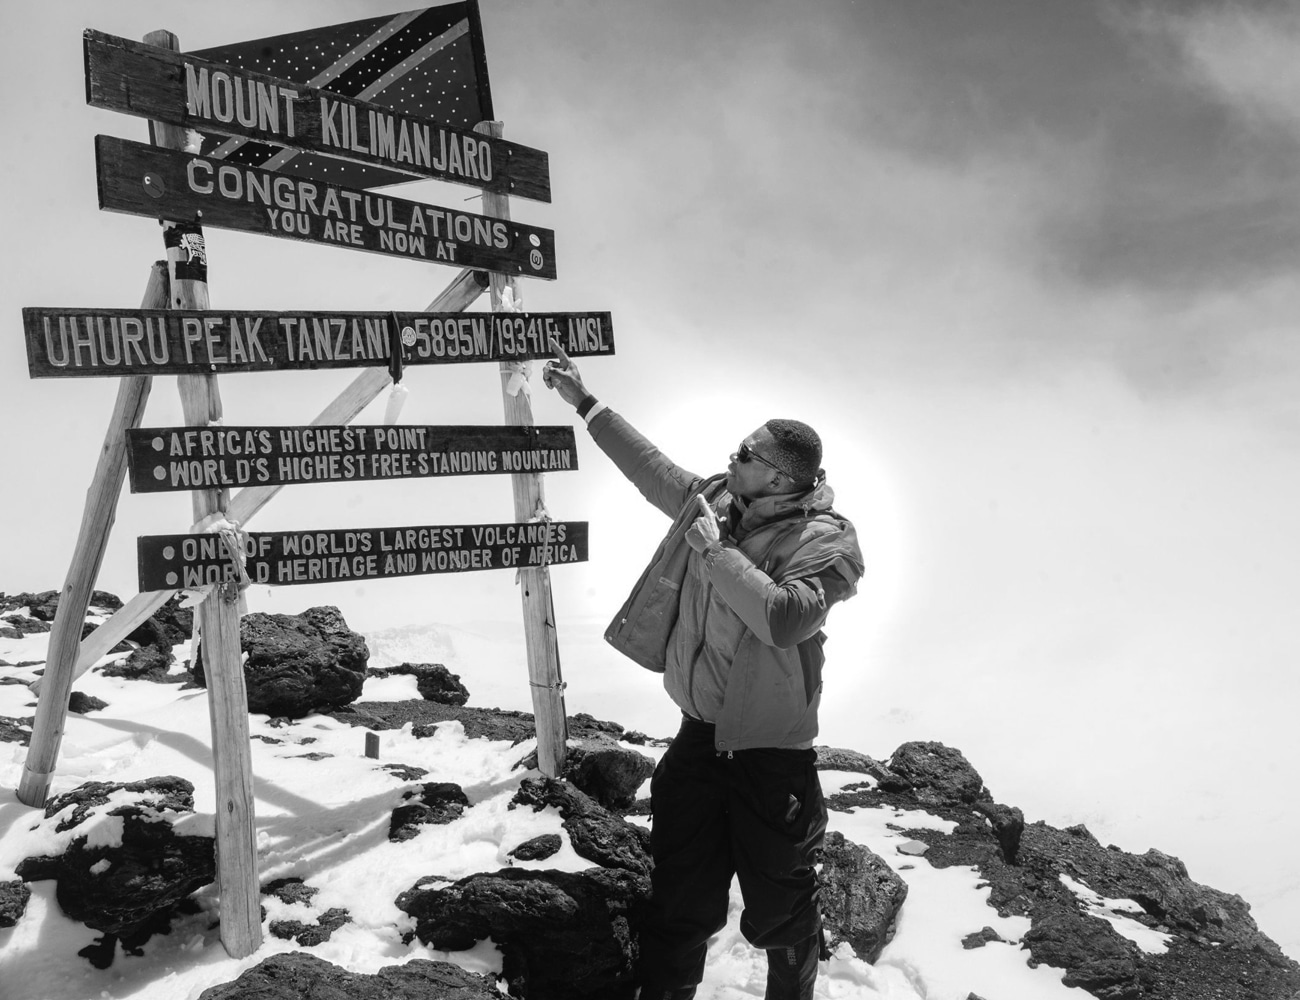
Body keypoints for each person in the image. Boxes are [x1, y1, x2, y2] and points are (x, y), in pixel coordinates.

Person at [542, 342, 865, 1000]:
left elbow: (784, 619)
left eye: (747, 455)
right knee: (680, 902)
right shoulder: (714, 500)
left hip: (771, 758)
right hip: (697, 739)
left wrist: (717, 557)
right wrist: (585, 403)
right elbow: (651, 469)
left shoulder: (826, 539)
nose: (732, 457)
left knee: (780, 912)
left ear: (779, 478)